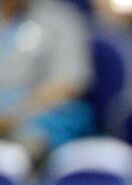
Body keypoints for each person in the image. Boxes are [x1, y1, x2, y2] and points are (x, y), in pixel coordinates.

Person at [0, 0, 95, 163]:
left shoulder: (60, 19)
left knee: (29, 143)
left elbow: (67, 84)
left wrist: (14, 114)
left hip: (40, 112)